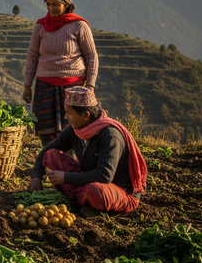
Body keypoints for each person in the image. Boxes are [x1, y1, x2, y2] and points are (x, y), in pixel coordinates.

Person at [28, 86, 147, 218]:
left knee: (95, 190)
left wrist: (65, 177)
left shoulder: (109, 135)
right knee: (51, 154)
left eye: (69, 113)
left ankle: (86, 200)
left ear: (86, 115)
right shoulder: (75, 129)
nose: (66, 117)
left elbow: (105, 175)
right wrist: (36, 177)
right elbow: (48, 149)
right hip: (89, 179)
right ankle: (83, 199)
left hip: (118, 189)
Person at [23, 0, 98, 146]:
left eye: (55, 4)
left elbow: (91, 56)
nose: (51, 8)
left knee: (73, 129)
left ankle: (69, 164)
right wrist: (27, 85)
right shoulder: (41, 26)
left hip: (73, 86)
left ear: (66, 4)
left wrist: (90, 86)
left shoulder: (79, 25)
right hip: (45, 86)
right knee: (45, 129)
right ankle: (53, 160)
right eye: (48, 4)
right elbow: (32, 57)